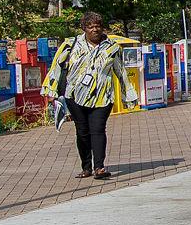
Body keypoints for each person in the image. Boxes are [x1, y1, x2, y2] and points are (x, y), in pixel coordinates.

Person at [43, 12, 137, 180]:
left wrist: (128, 95)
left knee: (98, 130)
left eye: (98, 26)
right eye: (90, 27)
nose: (95, 30)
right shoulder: (70, 45)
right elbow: (56, 67)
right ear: (84, 28)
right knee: (82, 132)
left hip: (102, 97)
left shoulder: (112, 47)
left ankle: (99, 167)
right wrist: (51, 92)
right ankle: (86, 167)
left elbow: (120, 71)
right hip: (75, 96)